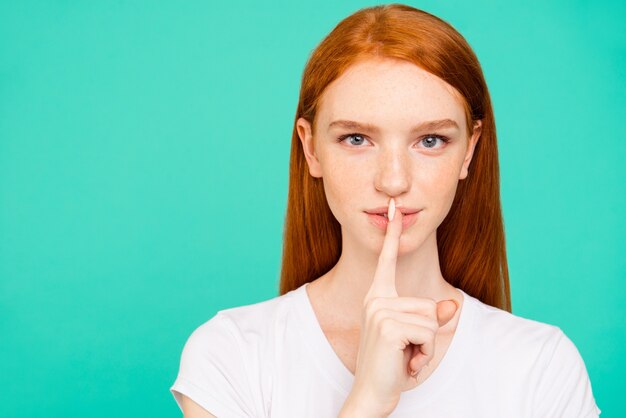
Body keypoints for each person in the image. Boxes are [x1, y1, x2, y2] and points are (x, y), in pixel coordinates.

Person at [170, 4, 601, 417]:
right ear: (310, 148)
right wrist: (366, 404)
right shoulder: (232, 355)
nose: (393, 181)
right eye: (356, 139)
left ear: (469, 150)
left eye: (430, 140)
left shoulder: (542, 365)